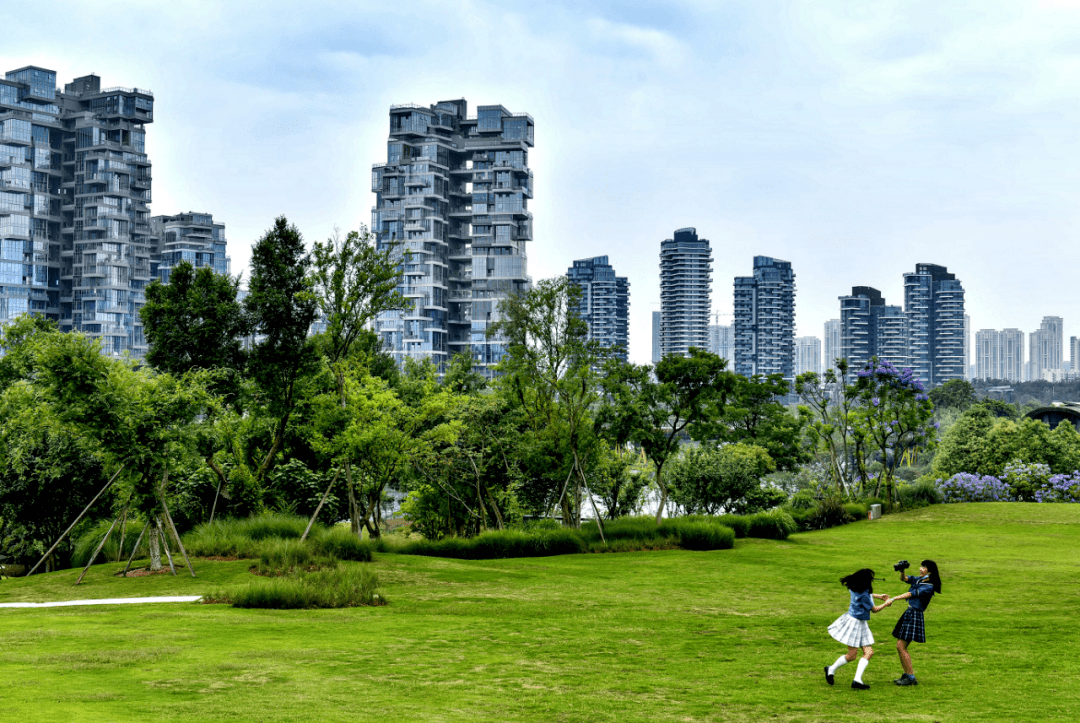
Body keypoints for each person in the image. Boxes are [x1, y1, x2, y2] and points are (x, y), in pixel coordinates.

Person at [824, 568, 893, 690]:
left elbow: (866, 593)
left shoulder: (855, 586)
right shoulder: (864, 594)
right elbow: (874, 609)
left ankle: (857, 680)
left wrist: (878, 596)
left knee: (868, 652)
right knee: (852, 655)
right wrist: (886, 603)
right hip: (855, 624)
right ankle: (832, 669)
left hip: (859, 623)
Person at [887, 559, 942, 686]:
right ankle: (907, 674)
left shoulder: (929, 586)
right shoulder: (920, 580)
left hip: (915, 615)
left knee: (901, 646)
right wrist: (902, 571)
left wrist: (893, 598)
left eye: (924, 567)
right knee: (900, 646)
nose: (920, 569)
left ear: (930, 570)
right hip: (910, 613)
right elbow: (905, 579)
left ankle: (910, 677)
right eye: (921, 566)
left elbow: (911, 594)